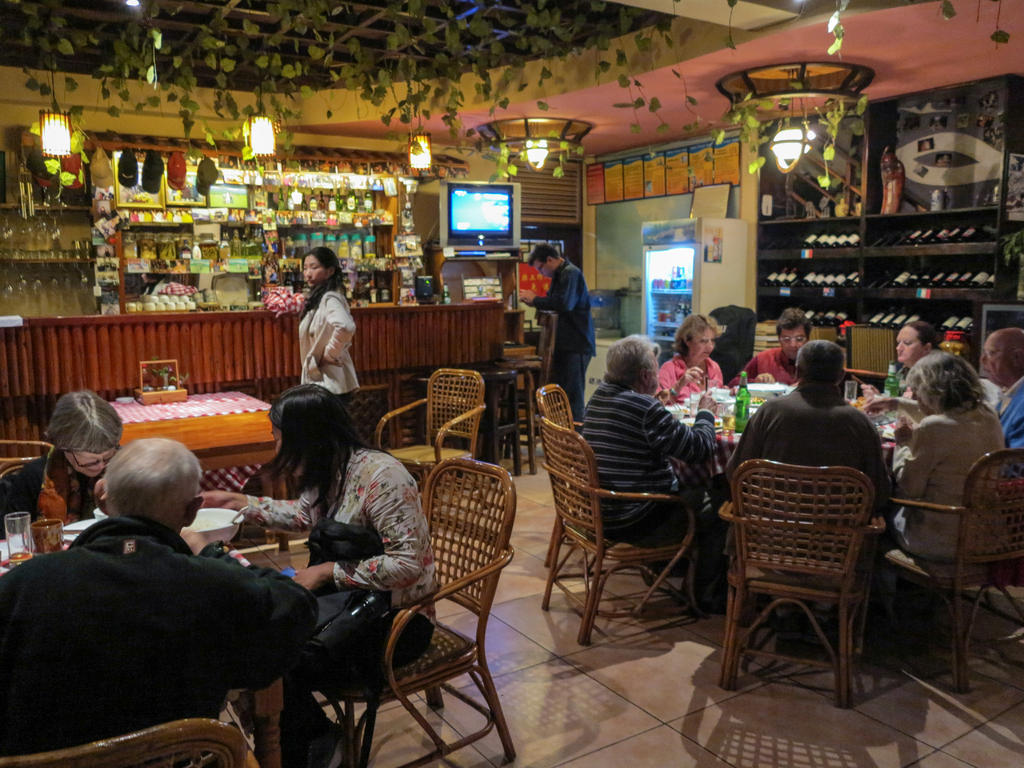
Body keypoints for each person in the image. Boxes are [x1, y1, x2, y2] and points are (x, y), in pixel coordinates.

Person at [0, 438, 316, 757]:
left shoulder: (23, 583)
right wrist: (208, 550)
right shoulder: (210, 582)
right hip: (178, 759)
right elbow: (297, 606)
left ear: (102, 499)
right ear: (192, 511)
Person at [201, 384, 436, 768]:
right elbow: (303, 516)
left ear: (305, 438)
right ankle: (313, 737)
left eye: (279, 438)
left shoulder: (383, 478)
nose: (276, 448)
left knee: (274, 659)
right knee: (251, 637)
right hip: (347, 606)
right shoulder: (329, 468)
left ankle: (312, 745)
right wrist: (239, 503)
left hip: (398, 621)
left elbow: (408, 565)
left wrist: (328, 571)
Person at [583, 335, 725, 609]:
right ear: (645, 375)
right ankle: (706, 594)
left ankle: (670, 565)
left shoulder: (599, 396)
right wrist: (706, 414)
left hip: (598, 511)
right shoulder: (644, 408)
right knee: (719, 504)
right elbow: (699, 449)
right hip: (635, 519)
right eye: (656, 367)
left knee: (693, 490)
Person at [726, 340, 891, 510]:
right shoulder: (861, 423)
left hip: (769, 520)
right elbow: (879, 492)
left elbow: (735, 472)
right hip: (840, 524)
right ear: (841, 376)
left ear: (797, 372)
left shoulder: (769, 412)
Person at [889, 352, 1004, 560]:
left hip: (941, 539)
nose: (915, 399)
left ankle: (888, 580)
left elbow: (910, 488)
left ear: (931, 391)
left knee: (879, 513)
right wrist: (896, 403)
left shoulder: (934, 427)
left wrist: (903, 444)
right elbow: (944, 413)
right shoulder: (988, 413)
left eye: (917, 392)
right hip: (983, 535)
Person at [0, 390, 122, 525]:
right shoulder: (34, 477)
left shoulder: (126, 468)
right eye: (92, 461)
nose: (101, 466)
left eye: (107, 458)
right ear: (64, 448)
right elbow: (13, 532)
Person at [519, 244, 595, 422]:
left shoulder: (571, 273)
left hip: (576, 343)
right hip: (565, 344)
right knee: (563, 394)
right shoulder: (560, 274)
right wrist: (536, 301)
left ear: (550, 260)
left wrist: (535, 299)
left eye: (541, 268)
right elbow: (554, 302)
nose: (541, 273)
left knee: (573, 397)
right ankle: (561, 433)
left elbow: (564, 304)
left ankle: (575, 435)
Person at [299, 246, 358, 404]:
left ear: (330, 271)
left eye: (314, 267)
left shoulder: (330, 298)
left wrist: (329, 354)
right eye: (305, 268)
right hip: (324, 382)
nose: (308, 273)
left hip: (329, 383)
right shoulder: (319, 299)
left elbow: (346, 326)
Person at [861, 320, 940, 401]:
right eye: (898, 343)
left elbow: (925, 407)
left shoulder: (937, 375)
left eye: (907, 343)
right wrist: (878, 397)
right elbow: (898, 400)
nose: (898, 348)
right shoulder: (903, 369)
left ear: (926, 348)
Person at [729, 307, 809, 386]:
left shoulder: (815, 362)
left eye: (799, 339)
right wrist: (755, 382)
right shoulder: (764, 358)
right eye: (786, 339)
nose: (793, 345)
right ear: (779, 339)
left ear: (808, 339)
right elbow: (733, 383)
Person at [658, 314, 724, 404]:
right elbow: (659, 404)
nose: (710, 346)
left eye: (712, 340)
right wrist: (678, 386)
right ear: (687, 341)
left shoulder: (714, 368)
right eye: (703, 341)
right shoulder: (669, 369)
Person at [981, 326, 1024, 448]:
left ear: (1017, 357)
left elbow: (1018, 457)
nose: (983, 360)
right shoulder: (1010, 393)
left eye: (991, 353)